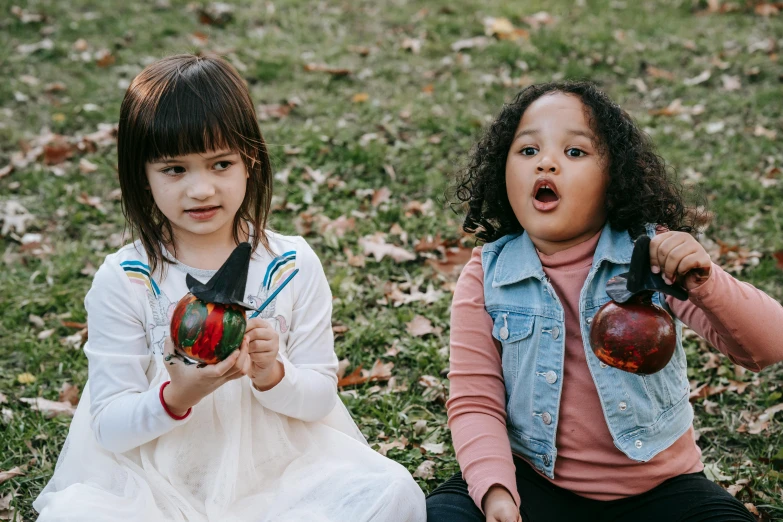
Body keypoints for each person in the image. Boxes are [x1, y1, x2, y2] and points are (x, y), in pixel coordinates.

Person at [34, 54, 425, 522]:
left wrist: (272, 374)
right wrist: (176, 395)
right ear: (143, 174)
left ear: (250, 161)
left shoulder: (290, 265)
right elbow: (111, 428)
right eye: (175, 169)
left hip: (280, 472)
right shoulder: (126, 279)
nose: (201, 189)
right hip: (151, 480)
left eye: (220, 164)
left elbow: (320, 395)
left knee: (394, 494)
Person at [426, 81, 783, 522]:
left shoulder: (651, 255)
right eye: (528, 151)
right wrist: (496, 491)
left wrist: (705, 281)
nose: (548, 163)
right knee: (442, 514)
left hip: (659, 490)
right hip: (534, 480)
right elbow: (474, 399)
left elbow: (768, 347)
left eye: (575, 152)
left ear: (613, 177)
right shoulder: (488, 273)